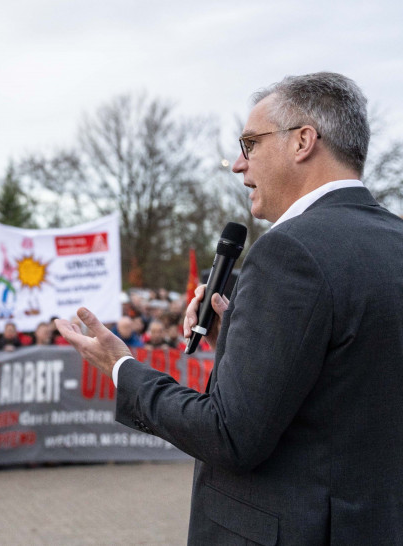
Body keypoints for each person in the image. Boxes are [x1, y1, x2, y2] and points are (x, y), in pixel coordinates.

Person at [56, 72, 403, 543]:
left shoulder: (290, 251)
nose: (238, 165)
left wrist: (122, 369)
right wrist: (241, 344)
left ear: (303, 141)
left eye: (250, 143)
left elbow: (231, 435)